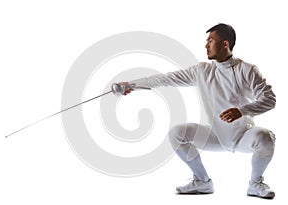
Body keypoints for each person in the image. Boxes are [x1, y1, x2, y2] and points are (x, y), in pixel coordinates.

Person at [114, 23, 276, 199]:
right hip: (215, 135)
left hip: (243, 135)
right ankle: (202, 181)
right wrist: (131, 85)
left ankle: (255, 184)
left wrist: (241, 111)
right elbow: (165, 79)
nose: (206, 45)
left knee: (265, 136)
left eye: (211, 41)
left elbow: (270, 99)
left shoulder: (247, 70)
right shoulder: (202, 71)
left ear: (225, 44)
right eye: (206, 41)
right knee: (177, 133)